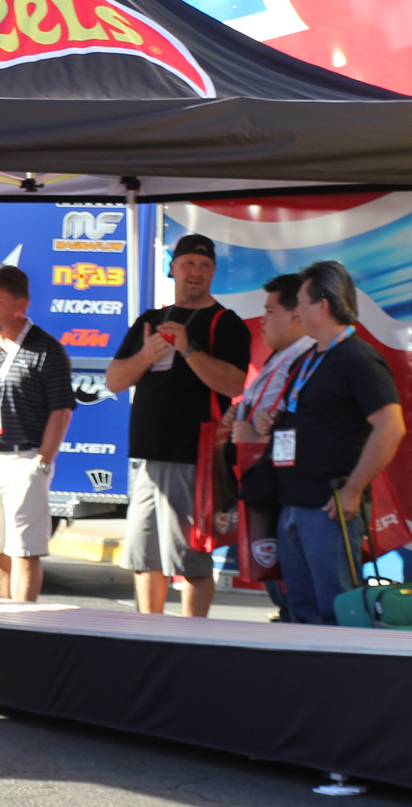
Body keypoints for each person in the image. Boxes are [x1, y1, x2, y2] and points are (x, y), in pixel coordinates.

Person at [105, 233, 253, 617]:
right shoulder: (150, 321)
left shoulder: (226, 323)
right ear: (172, 267)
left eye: (205, 266)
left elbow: (235, 384)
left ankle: (191, 639)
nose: (196, 272)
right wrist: (147, 354)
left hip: (193, 457)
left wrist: (188, 348)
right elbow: (115, 380)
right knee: (143, 557)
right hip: (147, 460)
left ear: (214, 273)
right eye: (189, 263)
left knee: (189, 561)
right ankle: (149, 634)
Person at [254, 260, 405, 626]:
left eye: (302, 303)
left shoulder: (358, 359)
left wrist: (353, 490)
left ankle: (346, 683)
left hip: (329, 508)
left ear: (322, 305)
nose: (298, 312)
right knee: (302, 614)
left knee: (337, 613)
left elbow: (391, 427)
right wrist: (270, 421)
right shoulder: (308, 359)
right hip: (292, 503)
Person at [0, 265, 75, 602]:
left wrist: (43, 463)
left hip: (25, 460)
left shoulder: (46, 350)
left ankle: (23, 623)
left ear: (20, 305)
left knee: (24, 549)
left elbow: (61, 411)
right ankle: (1, 620)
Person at [230, 273, 316, 616]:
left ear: (296, 315)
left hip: (287, 492)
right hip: (268, 489)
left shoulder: (305, 361)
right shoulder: (279, 358)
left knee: (300, 598)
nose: (263, 321)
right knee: (286, 596)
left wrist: (255, 434)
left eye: (270, 311)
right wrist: (239, 415)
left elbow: (298, 431)